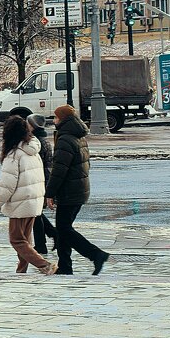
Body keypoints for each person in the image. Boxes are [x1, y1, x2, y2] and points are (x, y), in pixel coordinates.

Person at [0, 115, 56, 275]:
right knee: (25, 241)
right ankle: (21, 271)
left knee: (16, 239)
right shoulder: (32, 150)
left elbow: (7, 186)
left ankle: (45, 265)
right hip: (33, 201)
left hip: (20, 203)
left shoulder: (14, 154)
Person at [45, 104, 109, 276]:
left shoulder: (65, 139)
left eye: (56, 117)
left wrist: (49, 193)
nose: (54, 120)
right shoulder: (78, 136)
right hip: (78, 189)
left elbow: (59, 171)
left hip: (69, 191)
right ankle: (65, 266)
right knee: (63, 229)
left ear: (63, 119)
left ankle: (96, 254)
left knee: (64, 229)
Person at [28, 113, 57, 255]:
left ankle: (42, 244)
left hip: (40, 179)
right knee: (36, 213)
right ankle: (51, 236)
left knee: (35, 213)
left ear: (33, 126)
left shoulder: (37, 141)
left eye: (28, 124)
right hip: (43, 178)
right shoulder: (41, 138)